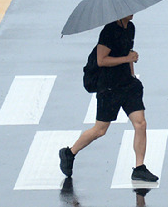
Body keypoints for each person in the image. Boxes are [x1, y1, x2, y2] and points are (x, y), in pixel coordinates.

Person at [59, 15, 158, 182]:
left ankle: (139, 168)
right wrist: (127, 59)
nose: (132, 12)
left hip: (127, 85)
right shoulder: (109, 31)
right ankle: (69, 152)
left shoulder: (130, 28)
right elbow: (101, 60)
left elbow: (128, 52)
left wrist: (132, 74)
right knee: (100, 130)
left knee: (140, 123)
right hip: (109, 87)